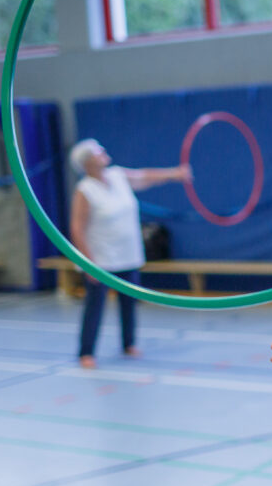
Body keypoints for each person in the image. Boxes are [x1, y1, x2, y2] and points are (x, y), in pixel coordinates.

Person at [69, 138, 190, 369]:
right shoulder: (84, 190)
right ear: (87, 162)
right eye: (97, 151)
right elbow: (77, 227)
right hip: (101, 259)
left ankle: (128, 344)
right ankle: (86, 352)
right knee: (95, 305)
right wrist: (88, 263)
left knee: (129, 301)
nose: (103, 152)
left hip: (127, 254)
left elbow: (145, 176)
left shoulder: (117, 176)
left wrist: (175, 174)